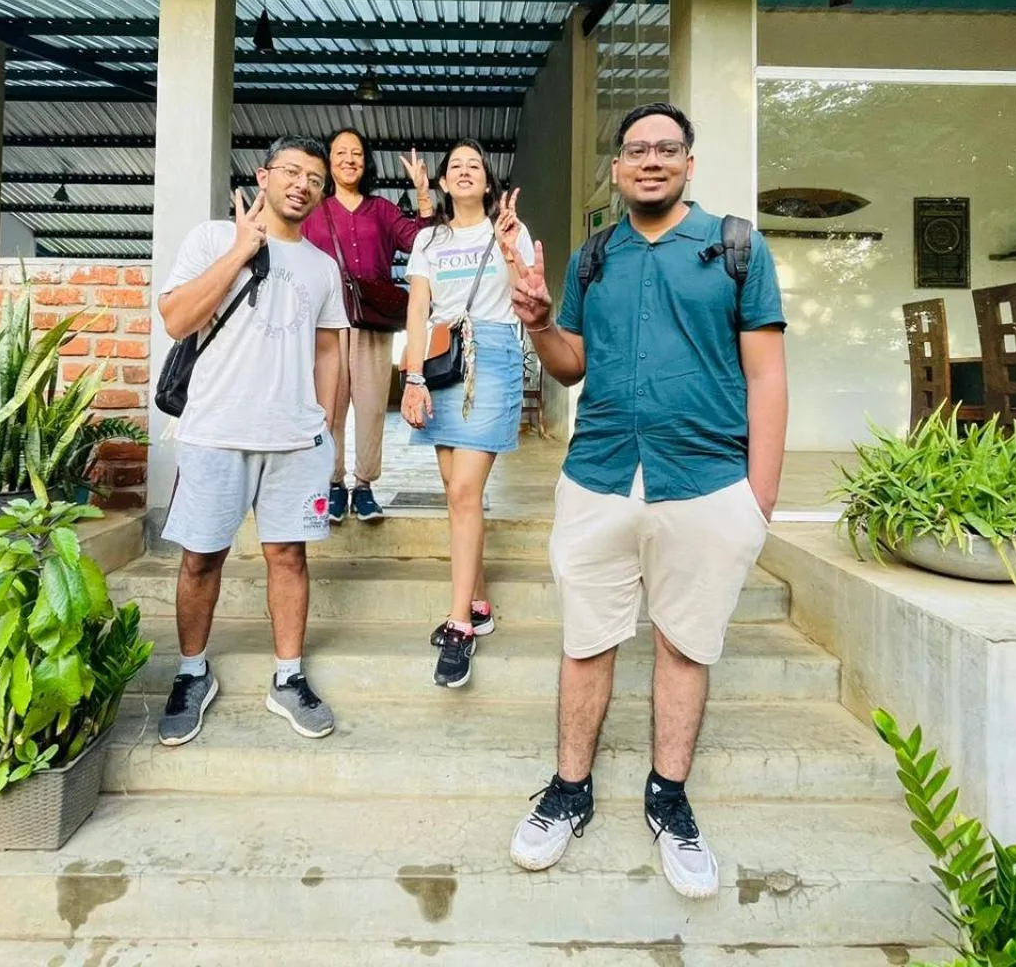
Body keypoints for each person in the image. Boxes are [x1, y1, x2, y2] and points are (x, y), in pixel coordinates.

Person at [504, 102, 788, 899]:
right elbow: (569, 366)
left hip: (704, 480)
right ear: (618, 170)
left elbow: (767, 374)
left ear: (689, 163)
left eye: (667, 148)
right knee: (587, 640)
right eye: (637, 150)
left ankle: (669, 798)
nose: (652, 160)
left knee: (683, 644)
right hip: (597, 476)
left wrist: (757, 499)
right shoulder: (595, 256)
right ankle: (569, 791)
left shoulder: (734, 247)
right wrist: (535, 323)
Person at [155, 135, 349, 746]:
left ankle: (287, 678)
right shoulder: (213, 239)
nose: (302, 184)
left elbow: (327, 351)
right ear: (263, 177)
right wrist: (242, 250)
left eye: (314, 179)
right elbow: (177, 319)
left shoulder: (323, 267)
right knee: (200, 557)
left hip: (295, 441)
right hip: (215, 433)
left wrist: (326, 429)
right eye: (291, 171)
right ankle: (192, 672)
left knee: (289, 557)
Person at [399, 139, 535, 689]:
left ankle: (459, 627)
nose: (463, 171)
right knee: (458, 490)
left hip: (495, 358)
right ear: (445, 181)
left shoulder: (509, 229)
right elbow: (417, 308)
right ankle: (477, 602)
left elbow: (529, 291)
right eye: (455, 165)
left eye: (473, 165)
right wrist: (410, 377)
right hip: (439, 361)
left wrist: (508, 248)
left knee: (462, 495)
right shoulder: (429, 238)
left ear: (488, 181)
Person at [301, 128, 435, 524]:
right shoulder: (313, 210)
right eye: (340, 152)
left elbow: (420, 243)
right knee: (330, 407)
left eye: (356, 153)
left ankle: (364, 487)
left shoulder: (382, 210)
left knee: (373, 406)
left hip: (372, 322)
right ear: (328, 161)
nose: (348, 159)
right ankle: (334, 484)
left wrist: (423, 193)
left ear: (366, 161)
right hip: (325, 324)